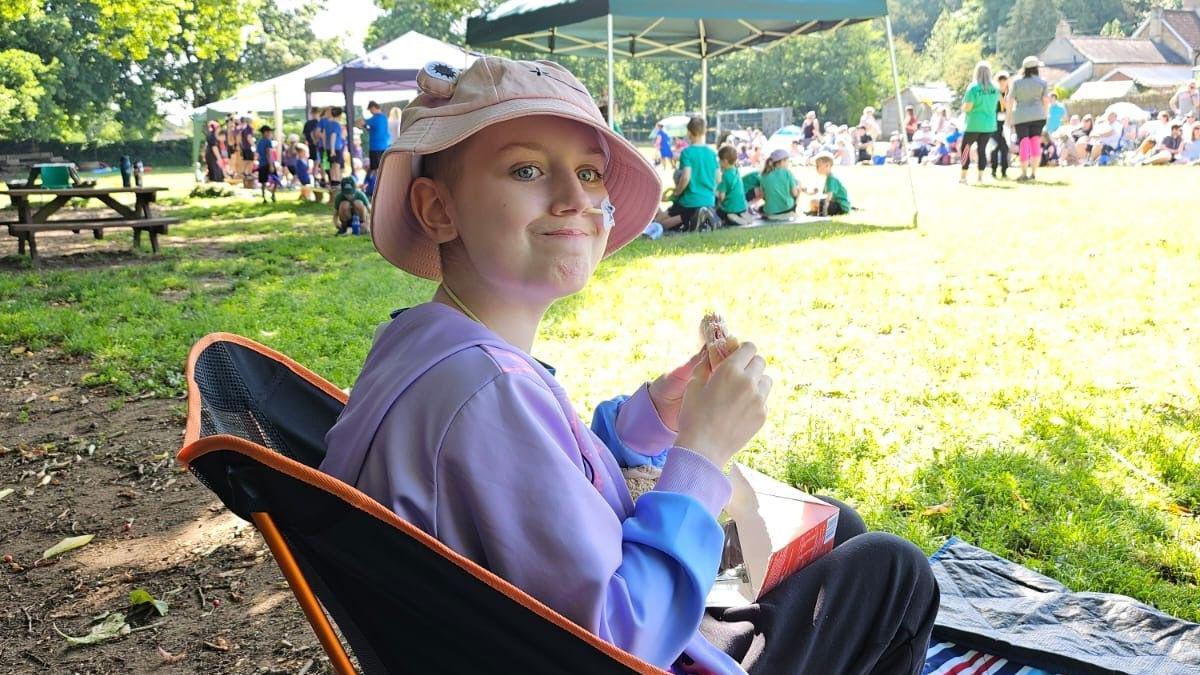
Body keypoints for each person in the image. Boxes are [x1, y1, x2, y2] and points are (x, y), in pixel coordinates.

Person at [319, 56, 938, 675]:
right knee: (895, 572)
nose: (575, 199)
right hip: (634, 643)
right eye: (527, 169)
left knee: (839, 524)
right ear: (437, 210)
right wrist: (702, 453)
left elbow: (548, 465)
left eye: (589, 173)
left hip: (539, 627)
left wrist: (652, 415)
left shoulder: (431, 347)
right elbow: (619, 640)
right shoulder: (486, 393)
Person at [662, 116, 718, 232]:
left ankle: (690, 222)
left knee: (660, 223)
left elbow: (686, 177)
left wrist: (676, 193)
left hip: (689, 203)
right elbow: (718, 178)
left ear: (689, 132)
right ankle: (701, 221)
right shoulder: (712, 153)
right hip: (709, 202)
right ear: (704, 131)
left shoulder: (687, 153)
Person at [959, 60, 1001, 185]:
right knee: (982, 150)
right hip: (989, 125)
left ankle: (963, 177)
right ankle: (980, 177)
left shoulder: (973, 88)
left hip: (973, 123)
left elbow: (968, 107)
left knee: (965, 149)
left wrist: (962, 108)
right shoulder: (995, 88)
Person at [1009, 56, 1050, 182]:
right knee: (1035, 143)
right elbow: (1046, 101)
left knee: (1024, 143)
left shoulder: (1016, 82)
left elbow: (1010, 100)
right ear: (1036, 68)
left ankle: (1023, 173)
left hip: (1021, 116)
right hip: (1038, 115)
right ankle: (1033, 173)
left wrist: (1009, 117)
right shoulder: (1042, 83)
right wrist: (1045, 114)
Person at [714, 145, 751, 227]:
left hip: (730, 208)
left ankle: (733, 218)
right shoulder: (736, 171)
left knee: (717, 213)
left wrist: (719, 203)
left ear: (725, 161)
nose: (718, 163)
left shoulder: (725, 175)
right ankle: (742, 215)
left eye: (719, 160)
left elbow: (721, 196)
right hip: (742, 207)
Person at [807, 151, 850, 216]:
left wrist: (822, 211)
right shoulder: (830, 178)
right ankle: (813, 212)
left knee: (814, 202)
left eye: (818, 166)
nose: (816, 168)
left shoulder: (831, 179)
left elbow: (829, 197)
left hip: (841, 207)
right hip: (839, 205)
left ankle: (815, 213)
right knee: (814, 202)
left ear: (827, 165)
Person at [759, 148, 799, 219]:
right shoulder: (787, 172)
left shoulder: (763, 176)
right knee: (799, 188)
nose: (788, 163)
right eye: (787, 161)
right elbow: (794, 193)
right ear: (781, 161)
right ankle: (793, 212)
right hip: (788, 208)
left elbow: (763, 196)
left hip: (770, 210)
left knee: (760, 209)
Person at [358, 101, 391, 179]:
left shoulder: (374, 118)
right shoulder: (384, 117)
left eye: (370, 110)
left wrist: (362, 125)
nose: (370, 112)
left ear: (373, 108)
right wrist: (366, 127)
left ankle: (374, 184)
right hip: (385, 145)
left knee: (375, 168)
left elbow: (360, 122)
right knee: (383, 166)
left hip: (375, 147)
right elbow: (374, 129)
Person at [990, 71, 1011, 179]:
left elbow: (1010, 108)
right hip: (994, 122)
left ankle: (1004, 170)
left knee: (1005, 147)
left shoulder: (1010, 93)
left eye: (1004, 82)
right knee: (995, 146)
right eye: (1000, 82)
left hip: (1006, 122)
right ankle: (993, 169)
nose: (1003, 84)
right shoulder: (993, 93)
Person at [255, 125, 277, 202]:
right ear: (265, 132)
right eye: (269, 132)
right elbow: (268, 153)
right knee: (275, 179)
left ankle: (264, 197)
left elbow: (257, 154)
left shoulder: (259, 142)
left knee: (263, 181)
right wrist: (271, 165)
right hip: (268, 163)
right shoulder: (268, 141)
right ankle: (273, 195)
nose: (270, 133)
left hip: (261, 163)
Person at [326, 107, 347, 183]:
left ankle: (333, 181)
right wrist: (332, 150)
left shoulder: (328, 124)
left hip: (329, 147)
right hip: (335, 148)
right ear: (340, 115)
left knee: (332, 165)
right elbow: (333, 136)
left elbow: (325, 136)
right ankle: (338, 181)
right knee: (337, 165)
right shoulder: (336, 125)